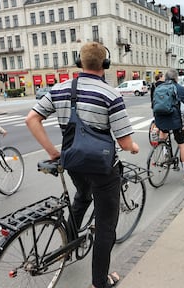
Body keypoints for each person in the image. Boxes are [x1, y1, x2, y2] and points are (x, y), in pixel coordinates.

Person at [25, 42, 139, 288]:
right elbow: (125, 141)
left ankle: (69, 243)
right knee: (106, 226)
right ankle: (100, 282)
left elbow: (32, 118)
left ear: (80, 63)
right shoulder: (111, 94)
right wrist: (133, 147)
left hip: (73, 163)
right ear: (105, 65)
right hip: (103, 169)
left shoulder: (60, 88)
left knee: (82, 196)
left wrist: (53, 152)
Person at [153, 68, 184, 183]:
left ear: (166, 77)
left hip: (159, 118)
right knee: (182, 145)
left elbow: (154, 103)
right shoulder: (177, 87)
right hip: (174, 120)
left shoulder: (159, 87)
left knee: (163, 134)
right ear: (176, 78)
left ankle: (164, 153)